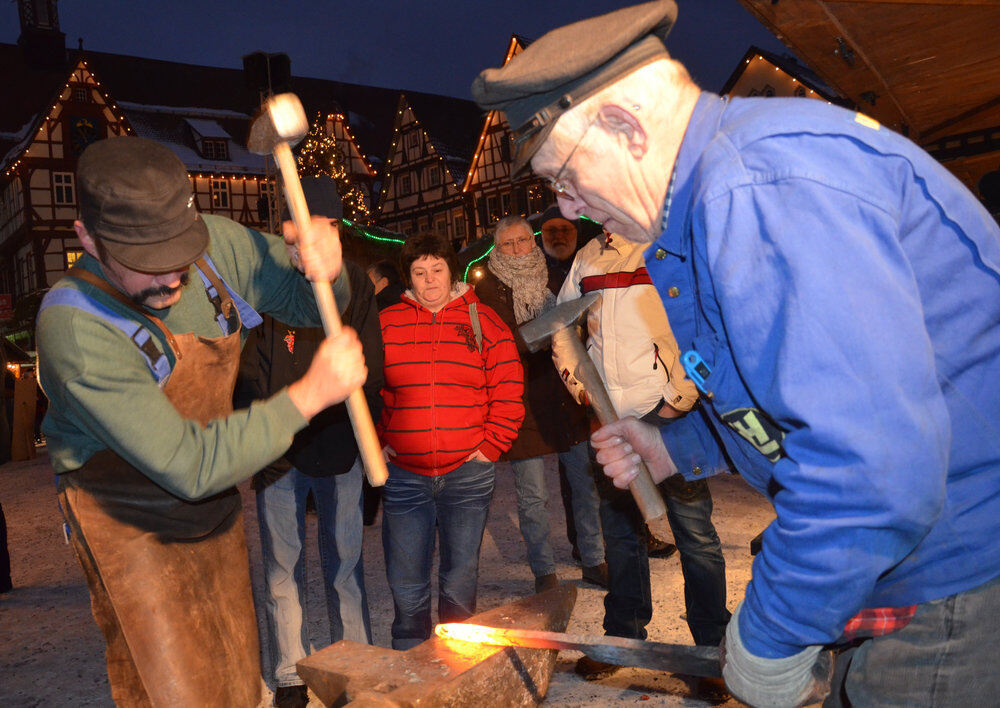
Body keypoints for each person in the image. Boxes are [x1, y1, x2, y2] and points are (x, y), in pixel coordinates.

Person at [472, 2, 1000, 706]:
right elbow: (777, 392)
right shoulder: (717, 193)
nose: (565, 209)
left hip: (957, 578)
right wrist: (678, 443)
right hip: (914, 566)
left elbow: (870, 469)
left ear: (626, 128)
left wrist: (772, 634)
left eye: (564, 176)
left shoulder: (758, 187)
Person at [35, 136, 365, 706]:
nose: (170, 280)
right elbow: (189, 464)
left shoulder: (217, 247)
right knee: (173, 693)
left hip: (213, 512)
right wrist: (306, 397)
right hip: (130, 528)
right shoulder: (75, 326)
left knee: (237, 682)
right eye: (146, 265)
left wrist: (328, 270)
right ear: (88, 238)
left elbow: (314, 306)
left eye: (179, 258)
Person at [553, 230, 730, 681]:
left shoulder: (665, 249)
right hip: (609, 416)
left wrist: (679, 399)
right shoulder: (588, 257)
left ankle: (713, 651)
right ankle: (623, 639)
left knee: (695, 534)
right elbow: (560, 329)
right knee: (621, 536)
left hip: (667, 415)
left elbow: (700, 328)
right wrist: (580, 388)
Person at [237, 259, 382, 708]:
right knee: (283, 565)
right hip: (281, 453)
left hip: (339, 449)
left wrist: (365, 440)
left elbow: (369, 365)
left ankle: (352, 664)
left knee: (345, 565)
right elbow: (249, 373)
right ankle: (289, 671)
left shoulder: (353, 282)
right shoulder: (271, 283)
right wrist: (260, 438)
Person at [377, 233, 524, 649]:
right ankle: (411, 659)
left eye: (437, 270)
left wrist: (492, 446)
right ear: (408, 277)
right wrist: (377, 440)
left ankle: (457, 665)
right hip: (405, 474)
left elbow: (509, 386)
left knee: (460, 579)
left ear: (451, 272)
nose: (429, 281)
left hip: (467, 474)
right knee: (406, 581)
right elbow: (365, 387)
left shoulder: (483, 320)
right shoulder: (386, 322)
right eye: (419, 273)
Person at [474, 215, 604, 593]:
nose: (517, 249)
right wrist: (537, 336)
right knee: (532, 497)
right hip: (520, 398)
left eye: (522, 241)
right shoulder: (487, 289)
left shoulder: (556, 278)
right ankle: (543, 570)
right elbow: (497, 343)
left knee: (584, 485)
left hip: (564, 394)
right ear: (497, 249)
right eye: (507, 244)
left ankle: (595, 559)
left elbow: (579, 325)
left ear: (533, 242)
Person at [361, 259, 405, 525]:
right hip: (401, 392)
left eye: (369, 280)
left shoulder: (377, 310)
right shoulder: (408, 304)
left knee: (374, 449)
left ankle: (367, 512)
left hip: (382, 389)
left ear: (383, 283)